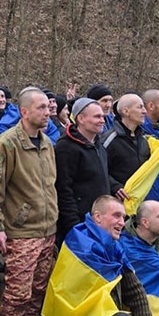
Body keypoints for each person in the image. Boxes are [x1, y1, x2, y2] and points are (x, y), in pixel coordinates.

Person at [0, 87, 59, 316]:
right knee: (16, 293)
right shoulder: (8, 143)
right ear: (25, 111)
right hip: (21, 231)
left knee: (38, 290)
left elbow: (49, 185)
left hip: (47, 229)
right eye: (41, 107)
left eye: (48, 107)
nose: (48, 112)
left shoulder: (47, 143)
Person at [55, 97, 120, 242]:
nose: (102, 120)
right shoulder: (66, 148)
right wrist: (74, 226)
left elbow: (100, 175)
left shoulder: (100, 147)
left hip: (101, 223)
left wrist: (114, 187)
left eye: (103, 117)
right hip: (79, 226)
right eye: (97, 117)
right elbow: (63, 189)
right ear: (81, 119)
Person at [102, 93, 150, 187]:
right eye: (139, 107)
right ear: (126, 111)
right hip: (118, 197)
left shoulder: (144, 139)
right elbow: (99, 169)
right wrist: (115, 187)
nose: (144, 111)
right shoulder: (109, 140)